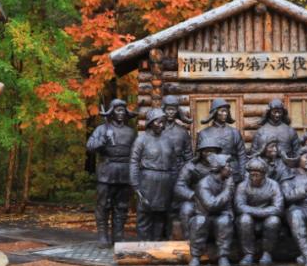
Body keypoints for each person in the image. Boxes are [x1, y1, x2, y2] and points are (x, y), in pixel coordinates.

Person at [85, 99, 136, 247]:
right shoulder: (102, 129)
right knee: (103, 205)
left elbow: (136, 153)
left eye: (123, 110)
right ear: (112, 112)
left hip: (124, 172)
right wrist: (103, 140)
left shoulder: (131, 132)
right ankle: (103, 236)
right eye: (118, 110)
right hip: (107, 173)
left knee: (121, 206)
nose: (121, 113)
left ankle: (118, 235)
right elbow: (90, 146)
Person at [130, 109, 179, 241]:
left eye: (163, 122)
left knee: (160, 215)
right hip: (148, 181)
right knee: (145, 214)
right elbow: (134, 162)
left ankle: (157, 243)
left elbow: (174, 163)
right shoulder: (141, 140)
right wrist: (135, 185)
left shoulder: (168, 140)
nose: (161, 125)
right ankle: (143, 244)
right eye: (158, 122)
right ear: (150, 122)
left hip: (165, 182)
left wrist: (175, 183)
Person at [188, 153, 235, 266]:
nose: (230, 169)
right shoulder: (204, 184)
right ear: (220, 169)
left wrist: (230, 214)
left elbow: (229, 204)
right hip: (205, 215)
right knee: (200, 221)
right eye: (228, 166)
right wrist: (227, 190)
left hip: (221, 215)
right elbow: (211, 205)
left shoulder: (227, 181)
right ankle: (195, 256)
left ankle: (223, 256)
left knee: (224, 220)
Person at [234, 157, 285, 266]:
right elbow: (239, 207)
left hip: (266, 218)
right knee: (244, 219)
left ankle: (267, 253)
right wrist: (260, 212)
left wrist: (258, 212)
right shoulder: (242, 186)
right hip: (250, 218)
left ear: (264, 174)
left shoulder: (274, 185)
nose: (254, 177)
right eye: (252, 174)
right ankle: (248, 254)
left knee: (274, 221)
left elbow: (278, 208)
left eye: (257, 174)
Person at [174, 132, 223, 239]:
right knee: (186, 209)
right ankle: (188, 240)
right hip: (196, 201)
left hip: (216, 201)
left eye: (212, 151)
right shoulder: (191, 167)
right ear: (201, 152)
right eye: (206, 151)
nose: (209, 154)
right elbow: (179, 186)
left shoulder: (223, 167)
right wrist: (193, 195)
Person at [197, 98, 248, 183]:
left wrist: (242, 174)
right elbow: (199, 158)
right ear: (215, 112)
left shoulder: (234, 132)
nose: (225, 113)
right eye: (222, 111)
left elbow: (242, 154)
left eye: (226, 111)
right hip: (212, 175)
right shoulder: (204, 133)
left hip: (233, 173)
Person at [160, 95, 193, 170]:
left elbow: (189, 157)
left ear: (177, 111)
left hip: (178, 170)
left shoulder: (183, 132)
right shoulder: (157, 130)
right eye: (168, 109)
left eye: (173, 109)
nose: (171, 112)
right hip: (160, 170)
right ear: (163, 110)